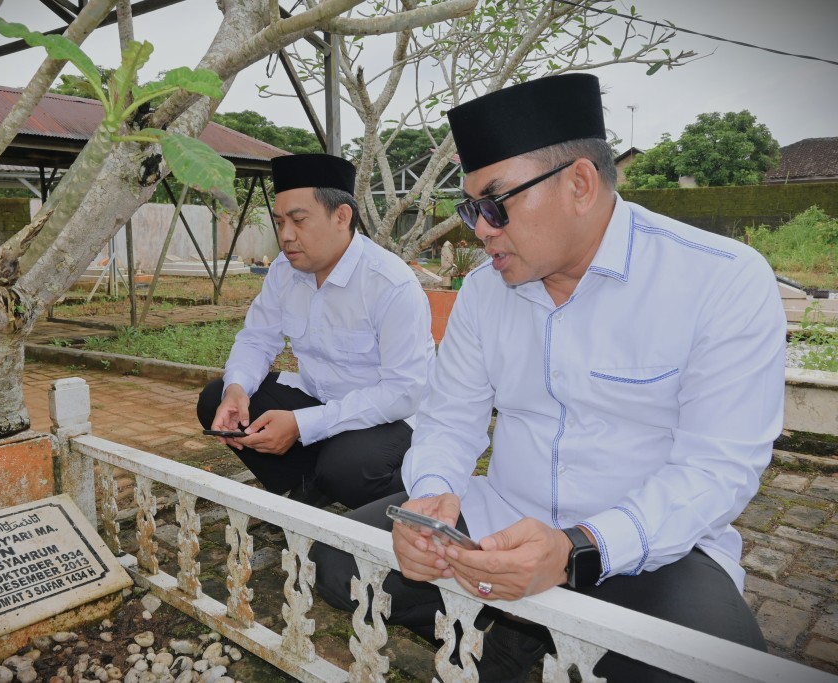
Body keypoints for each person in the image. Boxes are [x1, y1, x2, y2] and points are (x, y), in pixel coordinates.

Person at [312, 73, 786, 682]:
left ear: (580, 185)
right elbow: (448, 419)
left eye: (495, 203)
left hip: (646, 542)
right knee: (336, 561)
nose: (479, 228)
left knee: (711, 667)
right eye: (470, 207)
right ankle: (510, 628)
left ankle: (531, 620)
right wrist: (430, 502)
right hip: (503, 515)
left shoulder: (720, 280)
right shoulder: (485, 291)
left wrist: (579, 549)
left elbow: (716, 469)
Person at [197, 153, 435, 509]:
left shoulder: (389, 283)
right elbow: (257, 338)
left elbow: (403, 393)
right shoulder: (284, 270)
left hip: (393, 418)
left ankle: (412, 494)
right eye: (279, 222)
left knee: (348, 468)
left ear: (342, 216)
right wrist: (236, 390)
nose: (286, 236)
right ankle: (308, 485)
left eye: (298, 220)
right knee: (218, 400)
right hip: (320, 399)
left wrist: (303, 424)